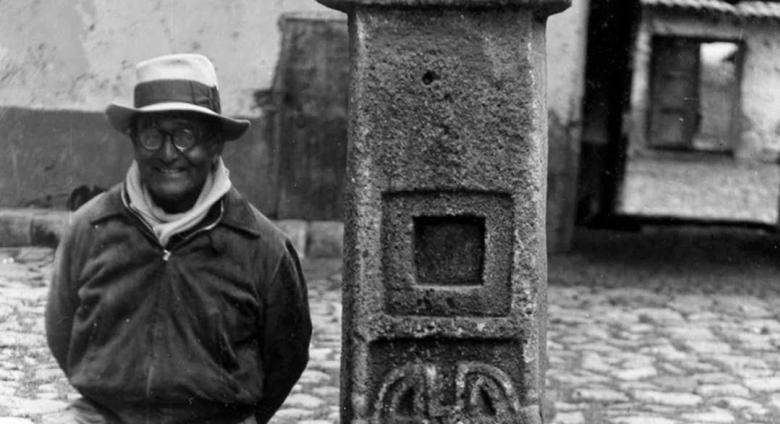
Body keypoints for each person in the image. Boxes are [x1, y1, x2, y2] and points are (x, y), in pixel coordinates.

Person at [45, 53, 312, 424]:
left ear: (215, 143)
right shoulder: (90, 227)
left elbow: (288, 356)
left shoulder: (263, 247)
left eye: (186, 135)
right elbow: (61, 332)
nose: (169, 154)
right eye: (153, 135)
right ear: (135, 140)